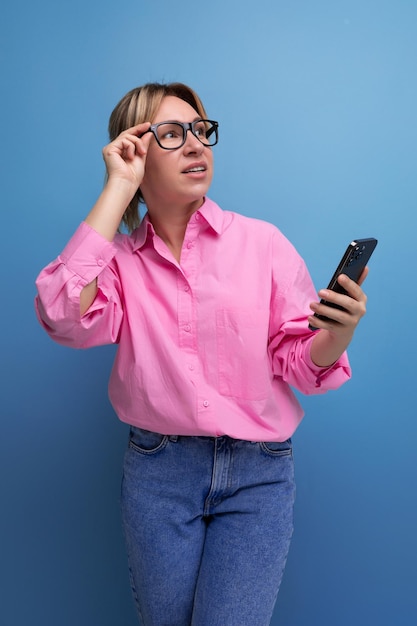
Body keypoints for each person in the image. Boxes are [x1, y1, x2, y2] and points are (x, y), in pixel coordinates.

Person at [35, 82, 369, 626]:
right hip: (157, 473)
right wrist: (119, 187)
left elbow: (299, 364)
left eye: (201, 130)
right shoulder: (115, 263)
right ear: (135, 153)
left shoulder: (263, 244)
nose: (197, 146)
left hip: (258, 475)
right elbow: (61, 315)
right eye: (171, 134)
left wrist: (339, 332)